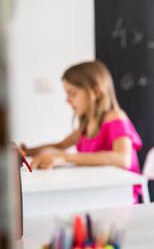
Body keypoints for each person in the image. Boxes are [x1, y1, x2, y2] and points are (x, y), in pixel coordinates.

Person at [21, 60, 143, 201]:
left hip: (119, 193)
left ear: (96, 92)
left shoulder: (115, 118)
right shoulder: (87, 122)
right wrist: (25, 152)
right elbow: (60, 146)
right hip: (99, 189)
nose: (67, 100)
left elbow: (123, 159)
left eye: (72, 93)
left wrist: (64, 157)